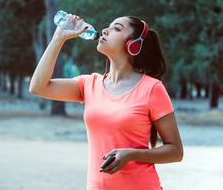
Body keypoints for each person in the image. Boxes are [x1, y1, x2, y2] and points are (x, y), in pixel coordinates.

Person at [29, 13, 184, 190]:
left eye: (116, 28)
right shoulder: (89, 84)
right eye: (109, 26)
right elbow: (38, 87)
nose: (105, 30)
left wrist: (132, 154)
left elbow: (176, 151)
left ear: (133, 45)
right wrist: (59, 38)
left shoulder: (153, 89)